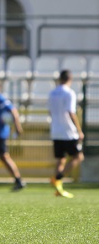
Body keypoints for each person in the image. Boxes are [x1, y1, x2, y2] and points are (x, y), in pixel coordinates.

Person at [48, 70, 84, 198]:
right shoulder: (69, 93)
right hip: (68, 132)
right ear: (70, 79)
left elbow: (51, 112)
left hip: (56, 131)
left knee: (60, 160)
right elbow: (71, 112)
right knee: (78, 157)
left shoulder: (52, 93)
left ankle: (59, 189)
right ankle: (58, 177)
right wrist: (79, 130)